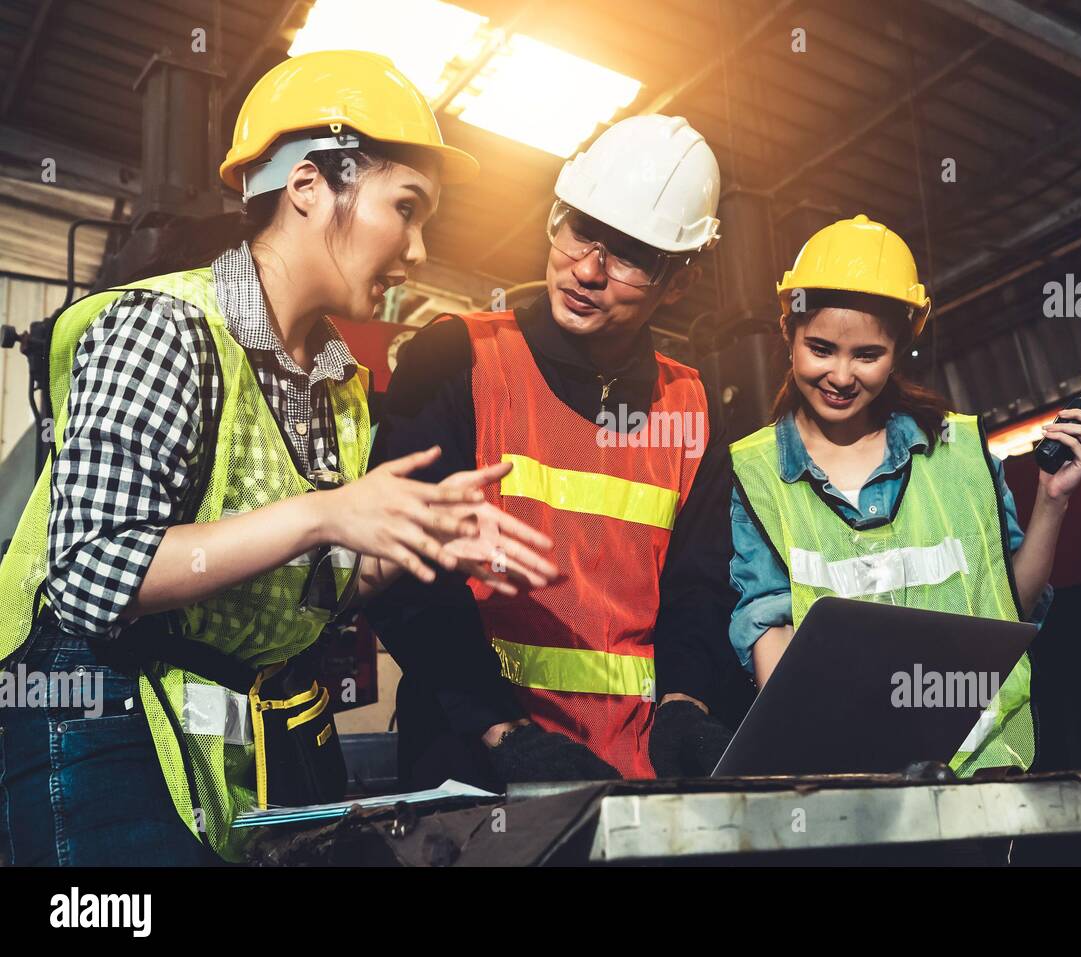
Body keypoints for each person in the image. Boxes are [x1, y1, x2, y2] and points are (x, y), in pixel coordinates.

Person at [0, 50, 556, 866]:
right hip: (93, 708)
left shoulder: (338, 385)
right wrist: (327, 512)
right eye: (406, 207)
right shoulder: (166, 327)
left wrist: (402, 550)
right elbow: (91, 572)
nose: (419, 248)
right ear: (307, 186)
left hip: (225, 725)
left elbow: (307, 593)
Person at [369, 114, 744, 787]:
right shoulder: (457, 359)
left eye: (629, 254)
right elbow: (403, 571)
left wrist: (687, 705)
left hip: (637, 771)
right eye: (580, 231)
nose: (588, 270)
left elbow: (699, 587)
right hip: (473, 761)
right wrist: (498, 730)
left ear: (679, 282)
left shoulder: (692, 405)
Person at [728, 214, 1081, 776]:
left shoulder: (958, 451)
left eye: (867, 354)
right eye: (820, 348)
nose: (841, 375)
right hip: (846, 783)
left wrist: (1052, 500)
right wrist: (826, 747)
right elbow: (766, 628)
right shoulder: (758, 471)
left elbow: (1014, 608)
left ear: (899, 349)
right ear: (786, 334)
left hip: (984, 775)